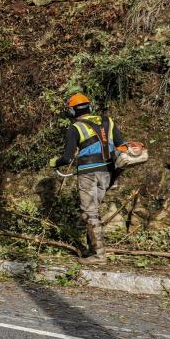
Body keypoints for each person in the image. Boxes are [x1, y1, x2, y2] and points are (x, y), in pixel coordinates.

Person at [49, 93, 125, 264]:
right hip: (108, 172)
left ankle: (99, 255)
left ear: (71, 111)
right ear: (90, 107)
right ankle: (93, 250)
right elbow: (121, 146)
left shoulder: (75, 128)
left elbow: (68, 158)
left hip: (88, 174)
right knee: (94, 211)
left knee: (90, 212)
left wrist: (55, 162)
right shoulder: (108, 121)